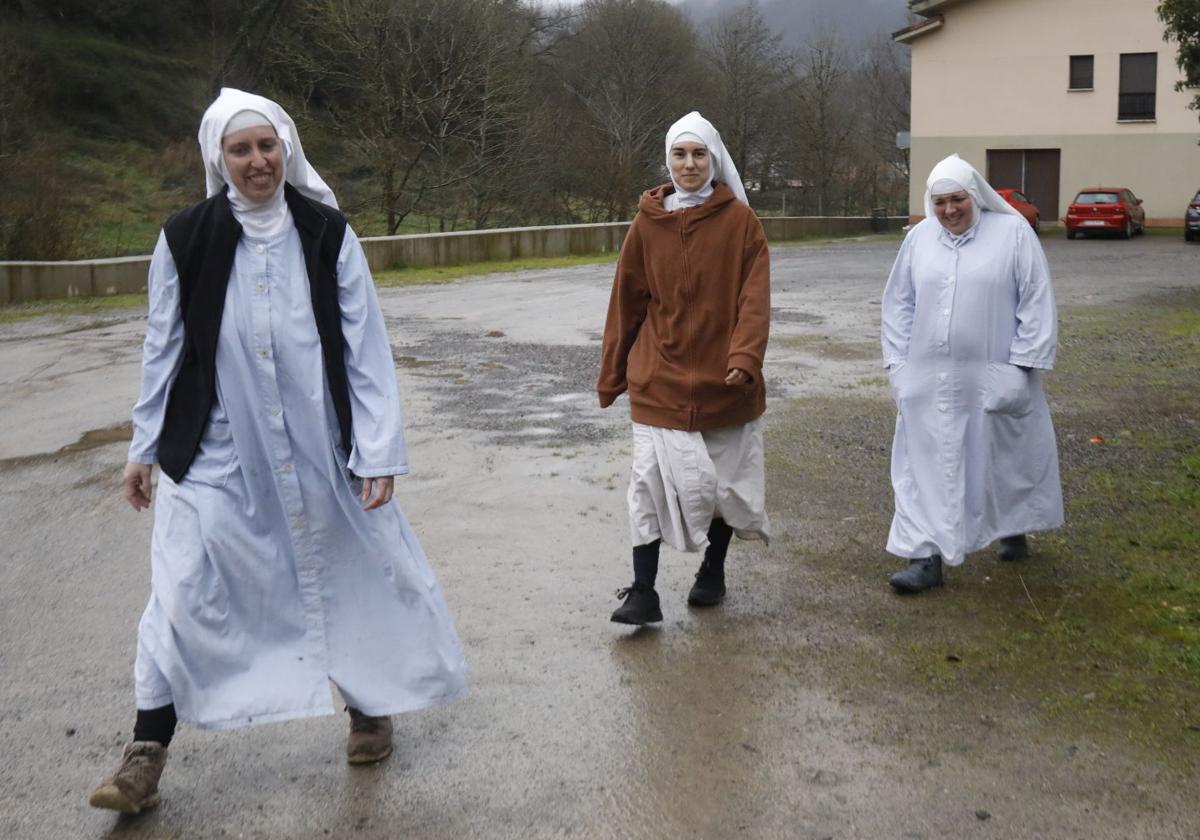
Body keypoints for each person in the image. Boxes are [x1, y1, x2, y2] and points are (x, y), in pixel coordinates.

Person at [89, 89, 467, 815]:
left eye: (267, 147)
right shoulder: (185, 237)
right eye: (241, 150)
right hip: (218, 452)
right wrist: (143, 446)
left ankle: (367, 706)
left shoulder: (326, 233)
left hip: (317, 446)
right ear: (218, 159)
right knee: (179, 588)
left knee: (346, 572)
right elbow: (163, 347)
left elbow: (365, 347)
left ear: (286, 149)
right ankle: (145, 751)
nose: (257, 162)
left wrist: (378, 450)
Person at [597, 111, 771, 626]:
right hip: (659, 380)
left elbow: (755, 300)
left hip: (726, 385)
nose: (689, 164)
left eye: (698, 154)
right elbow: (626, 300)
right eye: (680, 154)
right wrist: (613, 373)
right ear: (667, 160)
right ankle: (643, 592)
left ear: (713, 160)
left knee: (722, 487)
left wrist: (744, 358)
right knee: (647, 483)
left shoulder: (741, 223)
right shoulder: (647, 223)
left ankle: (713, 570)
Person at [881, 154, 1063, 594]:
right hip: (928, 378)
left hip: (993, 371)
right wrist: (899, 364)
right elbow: (899, 302)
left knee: (1002, 458)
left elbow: (1035, 298)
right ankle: (925, 556)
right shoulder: (920, 239)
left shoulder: (1012, 234)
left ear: (975, 196)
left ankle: (1012, 525)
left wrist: (1021, 365)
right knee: (923, 464)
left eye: (957, 199)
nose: (949, 210)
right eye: (939, 201)